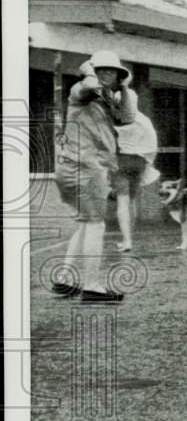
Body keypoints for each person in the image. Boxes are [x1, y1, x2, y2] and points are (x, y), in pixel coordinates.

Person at [53, 50, 137, 301]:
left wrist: (125, 88)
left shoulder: (107, 100)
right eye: (102, 70)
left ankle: (64, 278)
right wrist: (89, 71)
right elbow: (89, 84)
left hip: (80, 166)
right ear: (92, 72)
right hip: (84, 167)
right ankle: (92, 286)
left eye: (112, 71)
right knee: (95, 224)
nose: (106, 75)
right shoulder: (80, 90)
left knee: (84, 223)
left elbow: (128, 117)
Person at [113, 109, 160, 252]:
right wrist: (149, 162)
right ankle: (129, 238)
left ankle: (126, 241)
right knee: (131, 201)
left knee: (122, 202)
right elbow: (152, 140)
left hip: (122, 161)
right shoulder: (142, 120)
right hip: (139, 162)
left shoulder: (115, 122)